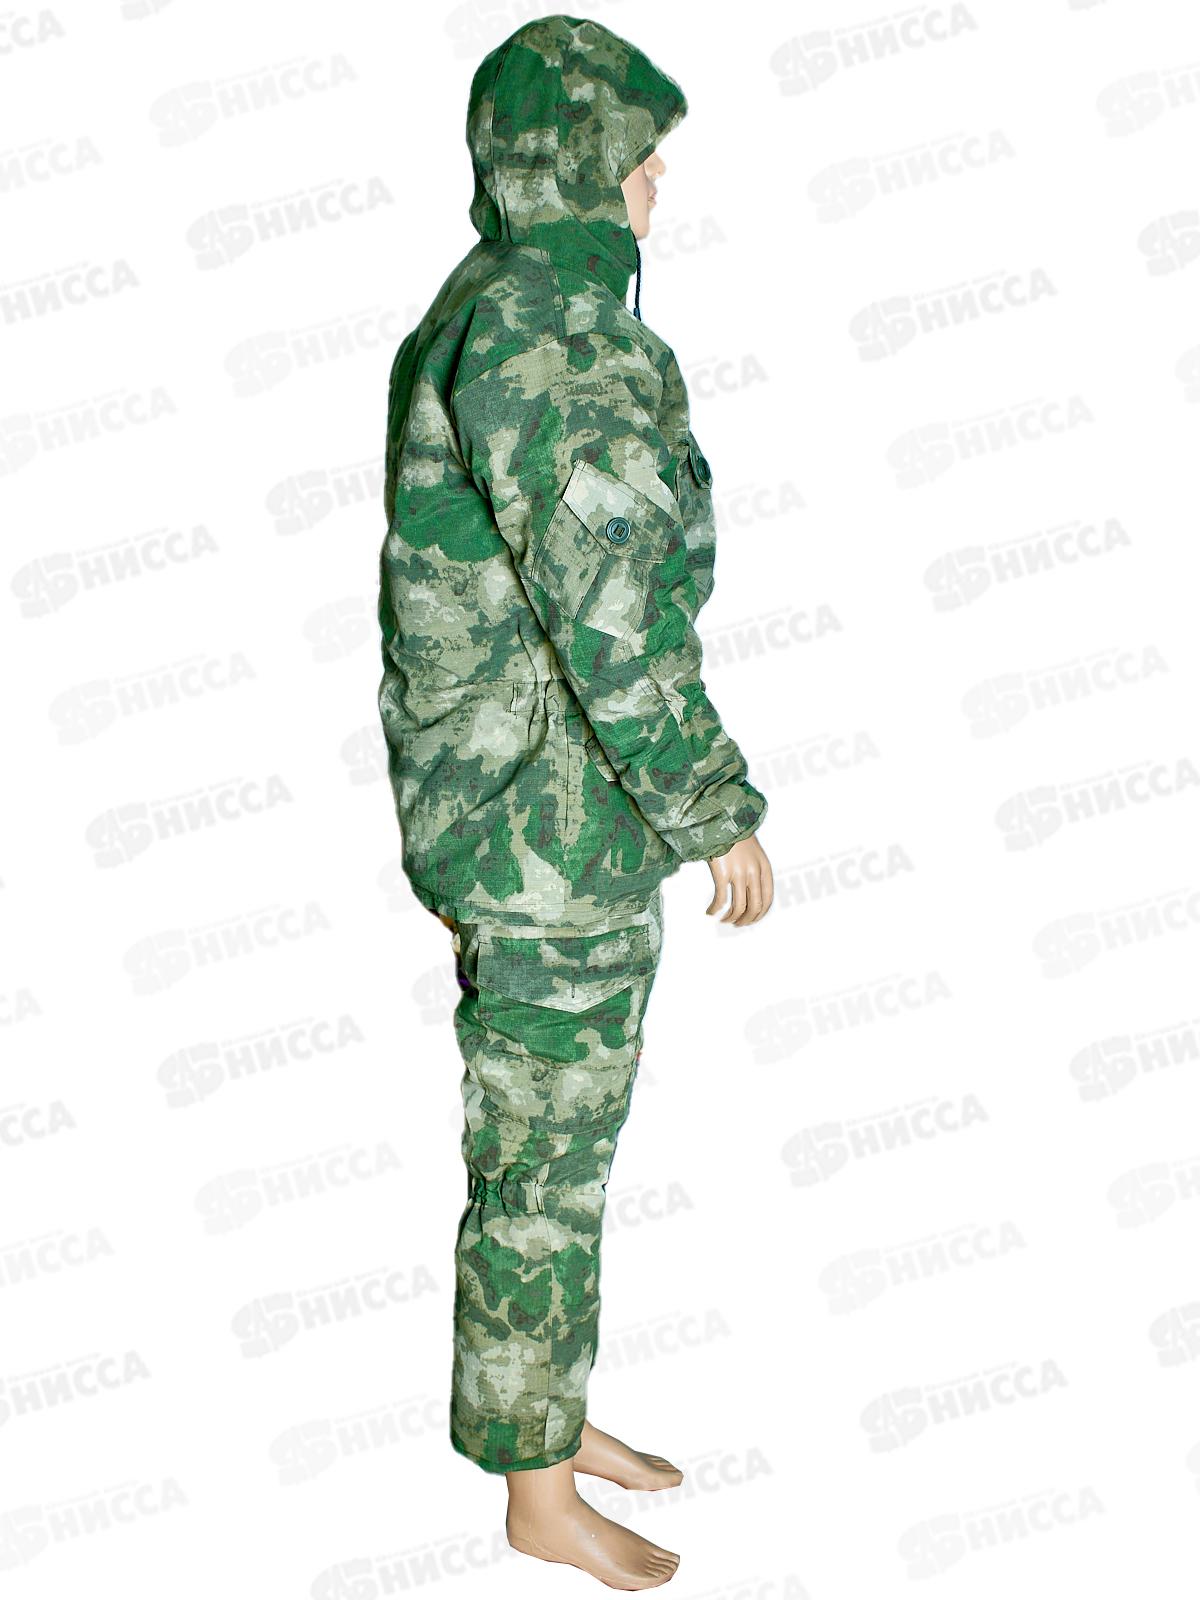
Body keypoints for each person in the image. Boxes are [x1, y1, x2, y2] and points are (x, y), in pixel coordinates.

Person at [376, 13, 774, 1589]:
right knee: (543, 1167)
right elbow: (612, 612)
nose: (657, 179)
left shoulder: (494, 302)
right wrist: (712, 802)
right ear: (585, 165)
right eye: (637, 153)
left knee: (551, 1149)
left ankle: (544, 1417)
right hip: (554, 831)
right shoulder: (557, 332)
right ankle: (537, 1503)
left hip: (519, 809)